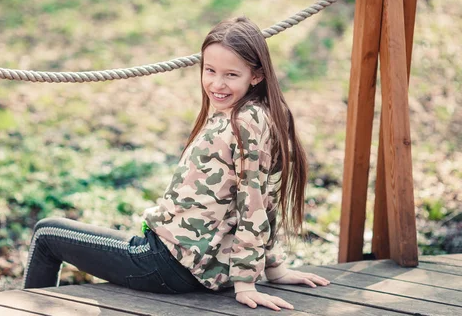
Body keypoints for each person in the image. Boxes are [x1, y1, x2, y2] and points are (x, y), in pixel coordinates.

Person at [22, 16, 330, 311]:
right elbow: (266, 196)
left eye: (231, 74)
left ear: (257, 75)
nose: (217, 84)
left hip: (167, 263)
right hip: (192, 263)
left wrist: (247, 283)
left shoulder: (242, 123)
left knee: (46, 234)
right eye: (210, 70)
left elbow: (253, 204)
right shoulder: (260, 114)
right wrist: (273, 268)